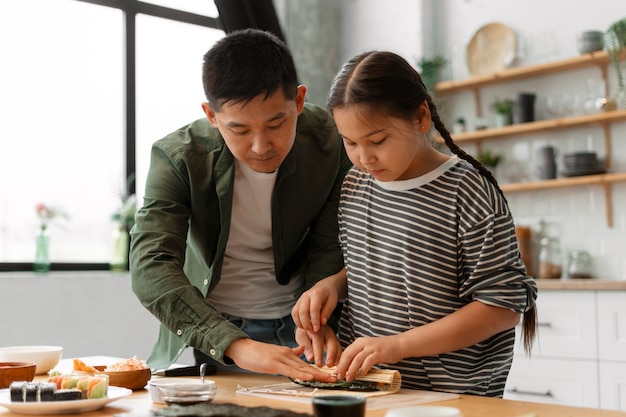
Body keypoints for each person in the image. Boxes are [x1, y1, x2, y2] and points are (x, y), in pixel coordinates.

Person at [292, 51, 538, 397]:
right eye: (350, 142)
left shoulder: (466, 190)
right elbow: (379, 264)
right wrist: (332, 286)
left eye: (377, 141)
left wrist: (398, 345)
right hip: (370, 389)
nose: (364, 157)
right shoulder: (355, 185)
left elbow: (502, 306)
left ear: (421, 117)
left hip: (454, 397)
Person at [129, 28, 352, 382]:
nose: (261, 146)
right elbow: (150, 265)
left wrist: (316, 316)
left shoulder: (333, 139)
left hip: (302, 331)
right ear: (211, 115)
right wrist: (235, 344)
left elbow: (330, 242)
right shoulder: (179, 156)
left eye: (276, 123)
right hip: (211, 331)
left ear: (298, 100)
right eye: (240, 130)